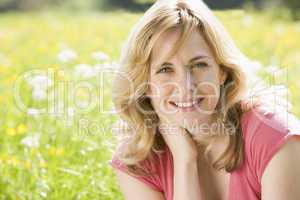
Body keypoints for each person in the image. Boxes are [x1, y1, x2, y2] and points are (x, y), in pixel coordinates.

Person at [109, 0, 300, 199]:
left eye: (199, 65)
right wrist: (185, 161)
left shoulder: (273, 137)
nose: (185, 85)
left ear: (222, 72)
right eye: (165, 70)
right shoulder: (138, 161)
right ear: (144, 85)